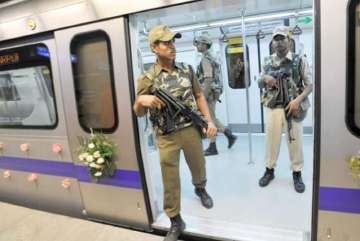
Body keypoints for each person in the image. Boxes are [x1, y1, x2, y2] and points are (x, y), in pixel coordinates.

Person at [133, 25, 217, 241]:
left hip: (190, 129)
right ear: (154, 47)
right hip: (166, 135)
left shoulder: (187, 69)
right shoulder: (147, 78)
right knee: (169, 177)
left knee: (198, 165)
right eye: (166, 42)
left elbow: (199, 96)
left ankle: (200, 188)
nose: (172, 46)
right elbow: (139, 112)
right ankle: (175, 219)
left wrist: (208, 120)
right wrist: (142, 100)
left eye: (173, 42)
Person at [257, 26, 312, 193]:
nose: (279, 43)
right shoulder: (267, 61)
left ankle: (297, 172)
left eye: (282, 39)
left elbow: (309, 85)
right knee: (271, 141)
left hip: (292, 108)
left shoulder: (298, 59)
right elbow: (259, 83)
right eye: (276, 39)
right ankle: (269, 170)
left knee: (295, 142)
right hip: (273, 107)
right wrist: (264, 78)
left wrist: (297, 100)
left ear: (289, 40)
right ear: (272, 42)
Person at [194, 35, 237, 156]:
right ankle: (229, 134)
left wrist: (202, 96)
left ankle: (213, 147)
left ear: (204, 45)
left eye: (198, 44)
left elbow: (208, 78)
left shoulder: (205, 59)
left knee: (209, 120)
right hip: (214, 92)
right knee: (212, 118)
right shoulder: (212, 58)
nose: (197, 46)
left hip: (208, 93)